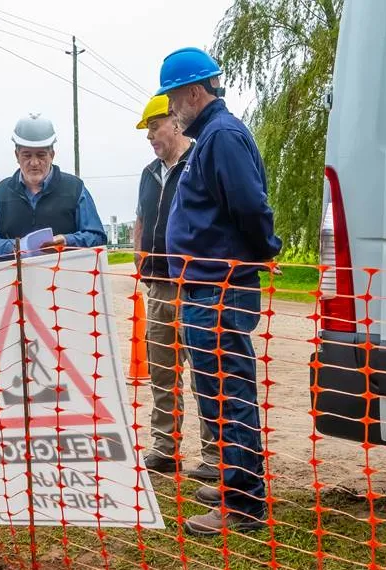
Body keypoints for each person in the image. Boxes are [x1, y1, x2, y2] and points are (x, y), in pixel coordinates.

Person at [156, 47, 283, 535]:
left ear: (194, 92)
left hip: (218, 289)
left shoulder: (222, 137)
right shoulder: (207, 138)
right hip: (203, 289)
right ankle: (236, 482)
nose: (171, 109)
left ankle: (244, 503)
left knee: (229, 393)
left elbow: (250, 207)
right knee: (216, 391)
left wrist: (261, 251)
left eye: (173, 99)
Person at [133, 95, 219, 482]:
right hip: (156, 286)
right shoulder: (149, 173)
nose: (150, 136)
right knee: (162, 374)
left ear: (175, 122)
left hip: (192, 286)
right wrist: (138, 256)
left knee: (204, 372)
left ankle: (216, 456)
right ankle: (165, 449)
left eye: (154, 126)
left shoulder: (198, 163)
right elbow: (140, 218)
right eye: (148, 129)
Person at [0, 113, 106, 260]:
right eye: (26, 155)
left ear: (52, 155)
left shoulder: (75, 189)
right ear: (16, 155)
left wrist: (67, 241)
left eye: (41, 155)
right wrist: (17, 247)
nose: (34, 162)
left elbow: (97, 237)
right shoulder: (1, 193)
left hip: (65, 279)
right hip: (15, 281)